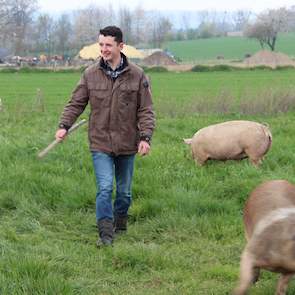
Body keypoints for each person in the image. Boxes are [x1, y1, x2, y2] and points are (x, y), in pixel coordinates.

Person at [55, 26, 155, 247]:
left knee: (125, 193)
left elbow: (146, 110)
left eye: (108, 45)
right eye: (101, 44)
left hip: (128, 143)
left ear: (121, 46)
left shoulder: (137, 75)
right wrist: (64, 125)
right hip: (100, 142)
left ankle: (120, 223)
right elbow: (76, 103)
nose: (103, 49)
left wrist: (145, 138)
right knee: (105, 188)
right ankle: (106, 234)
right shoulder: (90, 74)